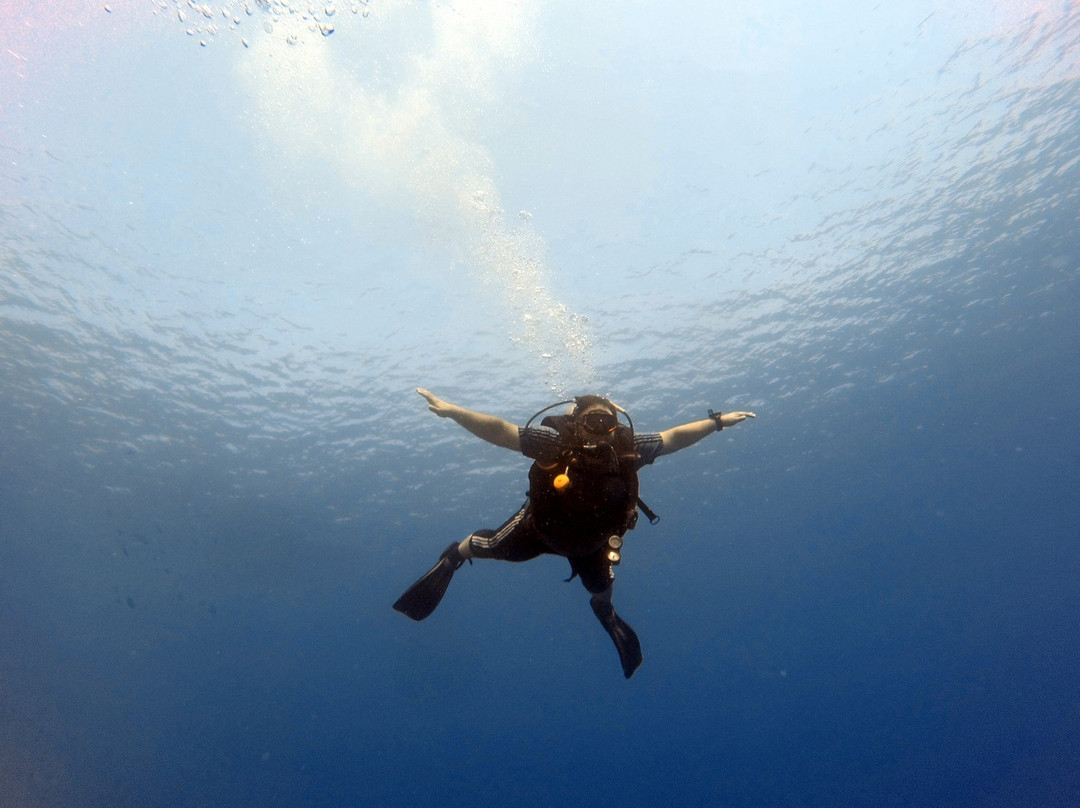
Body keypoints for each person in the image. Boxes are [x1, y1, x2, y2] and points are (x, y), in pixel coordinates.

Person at [393, 388, 756, 678]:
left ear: (617, 426)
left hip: (593, 544)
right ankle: (454, 556)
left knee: (603, 590)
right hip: (537, 529)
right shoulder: (554, 444)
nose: (600, 428)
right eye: (592, 420)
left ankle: (607, 614)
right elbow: (501, 431)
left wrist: (717, 422)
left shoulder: (628, 448)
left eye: (607, 421)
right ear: (575, 422)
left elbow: (674, 437)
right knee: (486, 545)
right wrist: (453, 411)